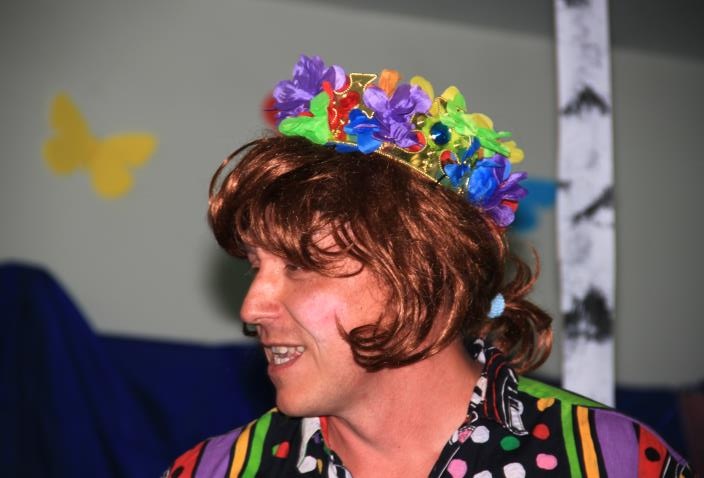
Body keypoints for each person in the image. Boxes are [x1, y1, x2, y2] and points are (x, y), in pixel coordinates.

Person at [165, 55, 693, 477]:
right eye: (255, 266)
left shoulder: (615, 461)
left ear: (425, 275)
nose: (251, 308)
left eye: (301, 265)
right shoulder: (213, 471)